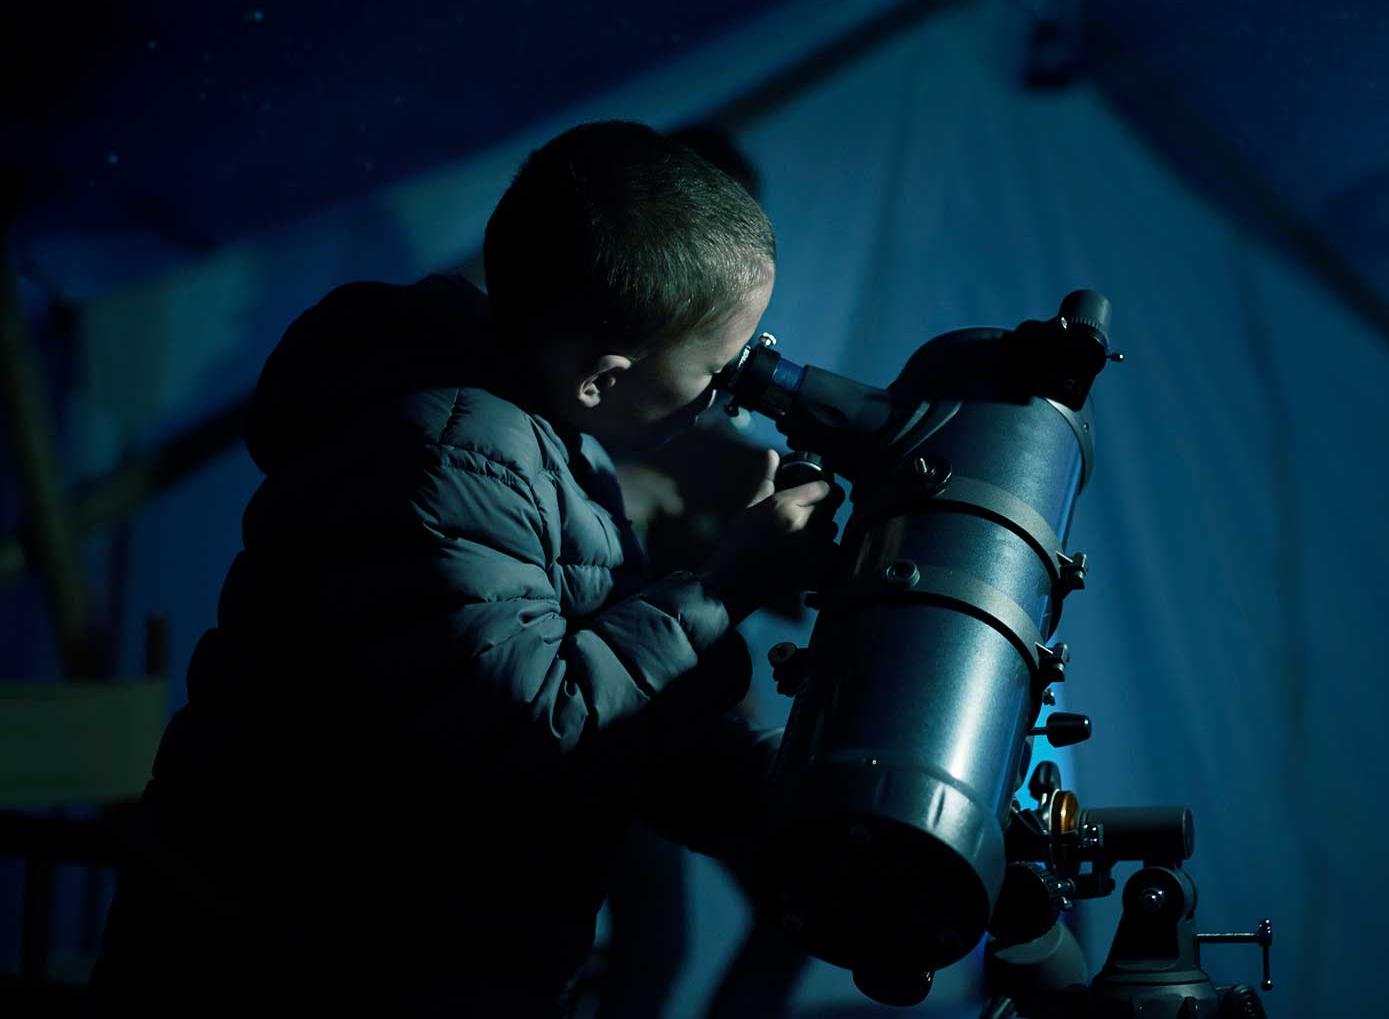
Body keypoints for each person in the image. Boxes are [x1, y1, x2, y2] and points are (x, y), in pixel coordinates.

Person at [90, 120, 841, 1017]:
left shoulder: (559, 440)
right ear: (602, 376)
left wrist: (803, 803)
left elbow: (629, 735)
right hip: (289, 970)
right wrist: (728, 582)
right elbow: (537, 730)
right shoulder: (442, 451)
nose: (738, 399)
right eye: (719, 370)